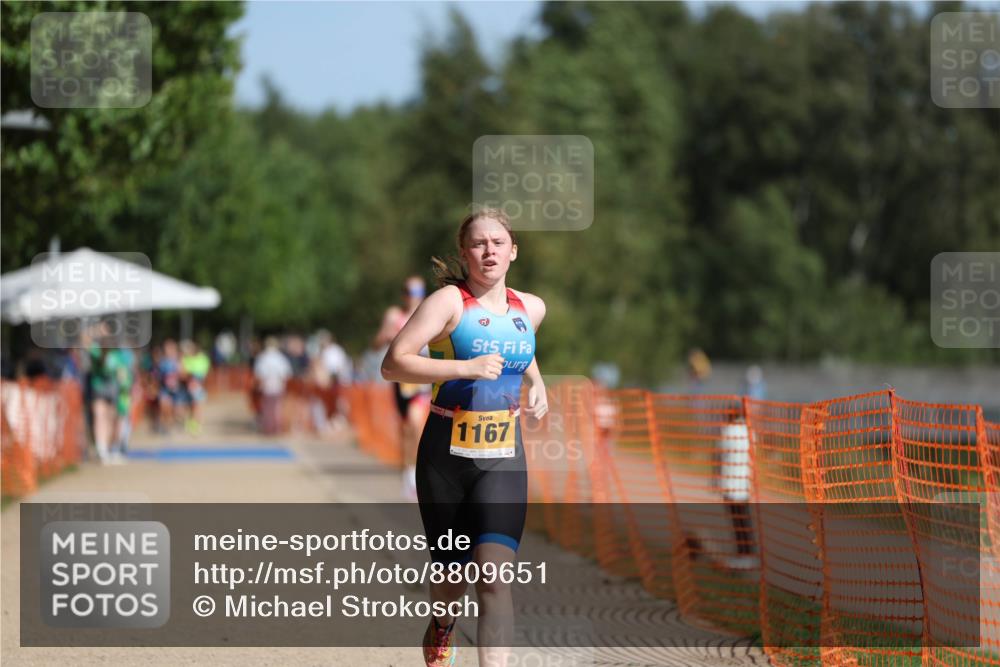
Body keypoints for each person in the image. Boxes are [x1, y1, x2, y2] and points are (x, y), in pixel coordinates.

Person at [381, 207, 548, 667]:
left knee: (494, 577)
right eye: (478, 243)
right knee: (451, 578)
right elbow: (393, 363)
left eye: (498, 242)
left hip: (503, 457)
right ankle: (443, 625)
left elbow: (519, 348)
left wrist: (538, 383)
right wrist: (464, 368)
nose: (488, 250)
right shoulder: (448, 303)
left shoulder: (530, 308)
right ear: (464, 252)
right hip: (445, 457)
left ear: (513, 251)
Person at [374, 275, 433, 500]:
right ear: (403, 294)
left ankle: (416, 477)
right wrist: (387, 337)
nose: (413, 297)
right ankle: (408, 473)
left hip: (423, 381)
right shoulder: (394, 316)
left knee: (416, 423)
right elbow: (376, 343)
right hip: (402, 383)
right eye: (410, 292)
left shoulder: (429, 314)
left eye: (418, 292)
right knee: (406, 428)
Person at [254, 336, 292, 435]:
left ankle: (269, 427)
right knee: (277, 408)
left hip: (267, 386)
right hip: (278, 386)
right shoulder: (280, 358)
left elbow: (259, 373)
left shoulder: (263, 357)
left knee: (267, 407)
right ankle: (276, 427)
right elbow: (286, 373)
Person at [180, 340, 211, 434]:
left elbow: (205, 374)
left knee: (198, 405)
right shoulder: (185, 359)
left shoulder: (203, 358)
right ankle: (192, 423)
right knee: (191, 406)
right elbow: (183, 373)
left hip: (198, 386)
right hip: (187, 386)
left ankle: (196, 425)